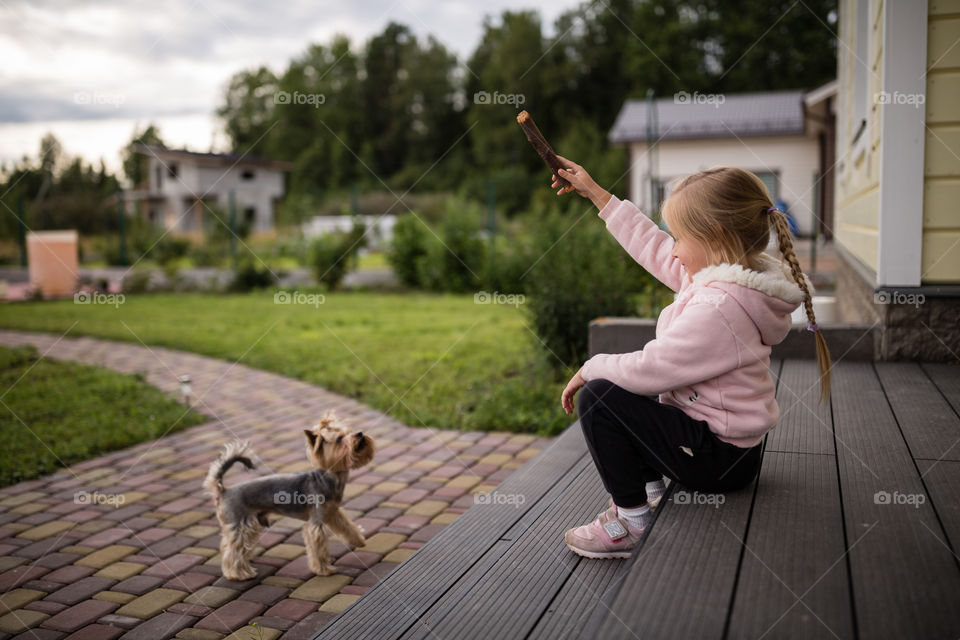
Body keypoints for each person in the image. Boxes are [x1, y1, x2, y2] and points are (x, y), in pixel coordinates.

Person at [550, 157, 831, 559]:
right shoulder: (729, 278)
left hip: (717, 461)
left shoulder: (719, 307)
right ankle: (649, 487)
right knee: (623, 390)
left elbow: (653, 369)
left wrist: (590, 366)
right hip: (730, 451)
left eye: (679, 237)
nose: (675, 249)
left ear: (714, 237)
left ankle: (631, 522)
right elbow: (656, 250)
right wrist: (597, 194)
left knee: (599, 397)